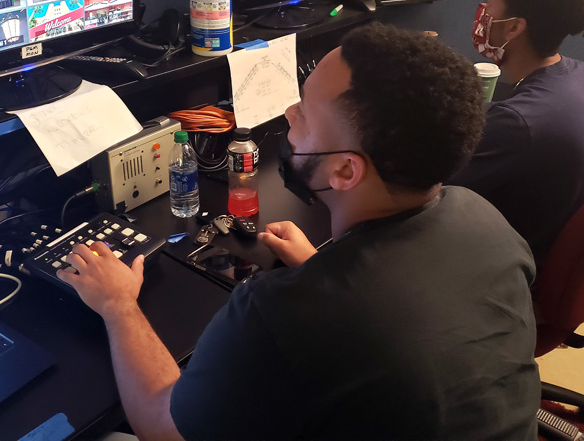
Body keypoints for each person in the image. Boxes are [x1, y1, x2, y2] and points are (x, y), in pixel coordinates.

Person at [59, 22, 541, 440]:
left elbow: (164, 428)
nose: (289, 115)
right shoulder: (486, 221)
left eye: (305, 112)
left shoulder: (285, 314)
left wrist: (119, 307)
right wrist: (322, 268)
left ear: (346, 173)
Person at [448, 0, 584, 266]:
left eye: (489, 2)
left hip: (506, 277)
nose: (482, 12)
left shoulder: (519, 124)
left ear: (514, 27)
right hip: (553, 253)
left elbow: (428, 193)